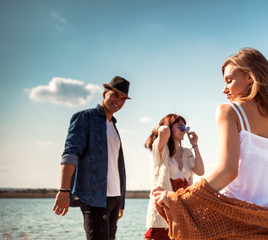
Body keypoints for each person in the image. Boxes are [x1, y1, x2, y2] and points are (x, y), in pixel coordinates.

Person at [153, 48, 268, 217]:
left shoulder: (229, 111)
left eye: (229, 80)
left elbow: (228, 171)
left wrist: (181, 198)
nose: (224, 89)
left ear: (250, 77)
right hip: (266, 225)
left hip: (226, 220)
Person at [52, 76, 131, 240]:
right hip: (94, 198)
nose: (118, 101)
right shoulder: (85, 118)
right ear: (104, 93)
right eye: (115, 95)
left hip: (114, 199)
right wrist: (64, 190)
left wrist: (120, 201)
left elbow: (117, 166)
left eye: (123, 98)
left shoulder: (113, 126)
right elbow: (71, 153)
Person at [144, 114, 205, 240]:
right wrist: (161, 127)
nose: (184, 131)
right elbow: (164, 131)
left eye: (186, 128)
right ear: (170, 127)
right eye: (180, 127)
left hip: (182, 211)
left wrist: (195, 145)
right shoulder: (161, 148)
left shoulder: (187, 152)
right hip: (163, 212)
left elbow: (200, 171)